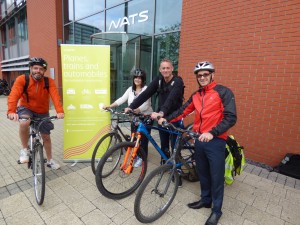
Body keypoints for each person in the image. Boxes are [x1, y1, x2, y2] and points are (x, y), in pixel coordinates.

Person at [158, 61, 237, 225]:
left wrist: (212, 132)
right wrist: (165, 118)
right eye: (199, 75)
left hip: (215, 141)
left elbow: (231, 117)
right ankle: (205, 200)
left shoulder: (223, 92)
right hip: (199, 139)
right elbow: (182, 111)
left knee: (216, 177)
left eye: (205, 74)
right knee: (202, 172)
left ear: (212, 75)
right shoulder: (196, 95)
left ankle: (216, 211)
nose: (202, 77)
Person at [7, 57, 64, 170]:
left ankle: (50, 161)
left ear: (44, 71)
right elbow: (14, 95)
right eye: (35, 68)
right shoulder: (22, 79)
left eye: (41, 69)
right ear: (31, 69)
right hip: (26, 108)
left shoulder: (49, 82)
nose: (38, 71)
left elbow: (55, 97)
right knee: (24, 122)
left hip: (42, 112)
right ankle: (25, 150)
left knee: (46, 137)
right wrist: (11, 111)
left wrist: (59, 111)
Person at [125, 58, 185, 164]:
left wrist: (161, 113)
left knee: (175, 144)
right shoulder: (158, 80)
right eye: (163, 68)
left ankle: (177, 169)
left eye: (167, 68)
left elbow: (170, 100)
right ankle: (165, 163)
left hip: (175, 116)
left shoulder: (178, 82)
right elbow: (145, 94)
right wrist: (132, 106)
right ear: (160, 70)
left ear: (172, 69)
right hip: (161, 116)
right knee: (164, 143)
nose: (165, 70)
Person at [103, 68, 153, 167]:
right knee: (134, 138)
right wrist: (110, 106)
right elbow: (122, 99)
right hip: (134, 118)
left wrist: (135, 110)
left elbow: (146, 104)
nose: (137, 79)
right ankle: (136, 155)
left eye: (140, 78)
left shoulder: (146, 89)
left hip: (145, 117)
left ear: (143, 79)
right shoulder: (130, 89)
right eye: (136, 77)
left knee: (143, 140)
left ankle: (143, 158)